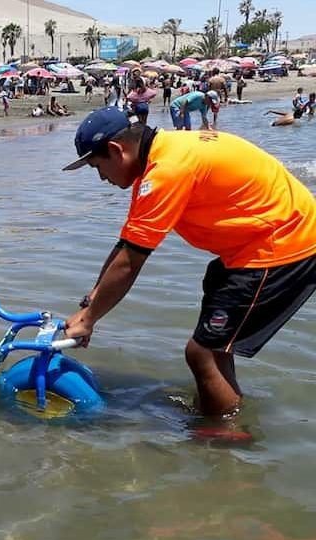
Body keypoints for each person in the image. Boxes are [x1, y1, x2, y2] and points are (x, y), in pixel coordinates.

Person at [61, 106, 316, 417]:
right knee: (213, 342)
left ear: (116, 150)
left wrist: (89, 318)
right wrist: (90, 305)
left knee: (202, 352)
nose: (101, 177)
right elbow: (126, 245)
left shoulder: (168, 170)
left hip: (283, 246)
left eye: (97, 166)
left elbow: (130, 263)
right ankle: (223, 415)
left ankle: (220, 441)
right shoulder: (163, 155)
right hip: (254, 248)